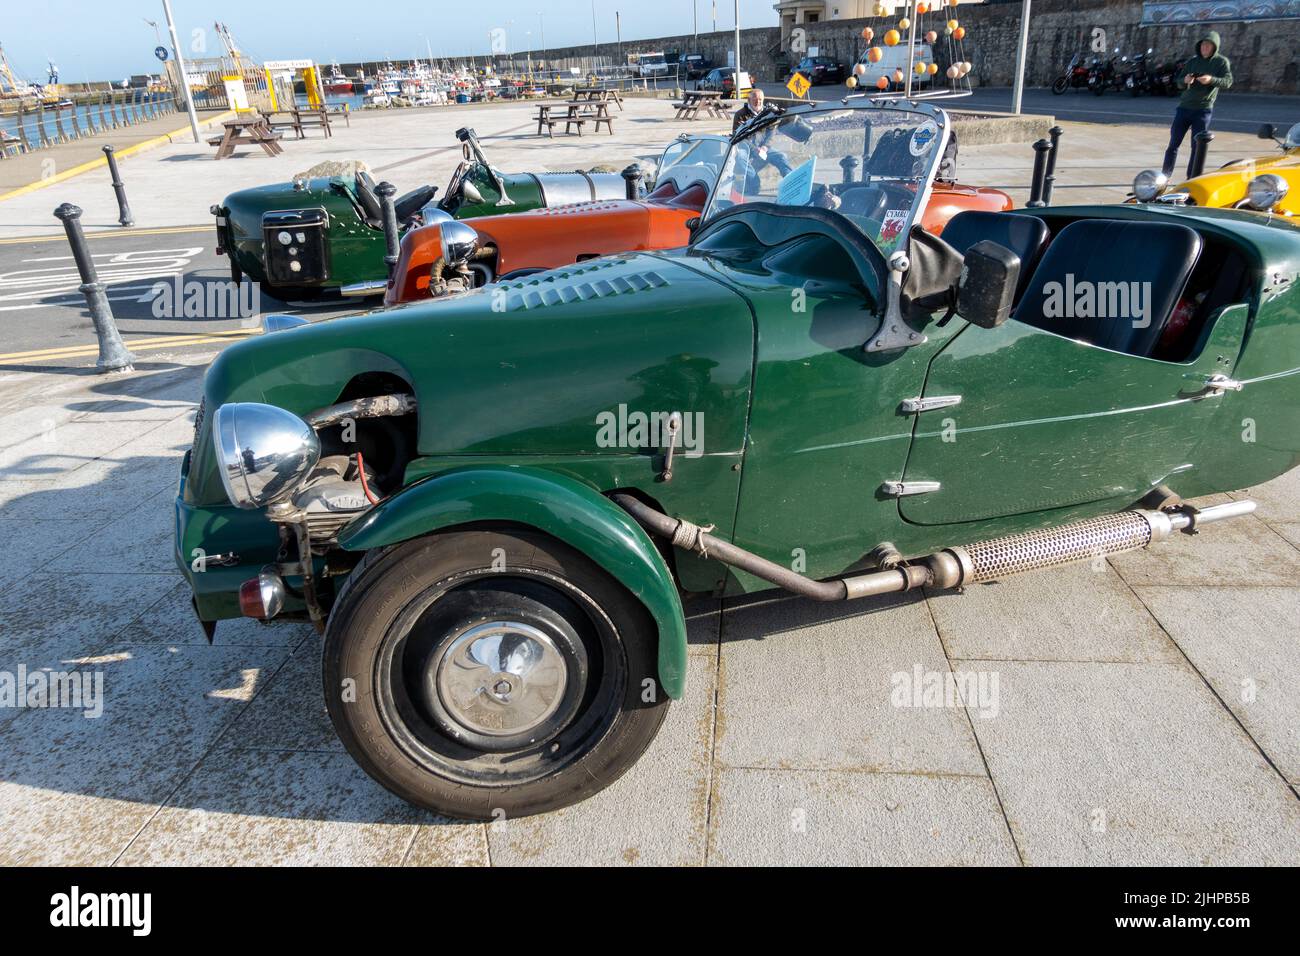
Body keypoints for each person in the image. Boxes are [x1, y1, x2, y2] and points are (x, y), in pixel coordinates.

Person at [1162, 30, 1232, 179]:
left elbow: (1228, 82)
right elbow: (1178, 82)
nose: (1204, 48)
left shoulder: (1221, 62)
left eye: (1208, 45)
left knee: (1197, 147)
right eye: (1203, 45)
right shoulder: (1192, 62)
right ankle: (1165, 175)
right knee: (1173, 144)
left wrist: (1211, 80)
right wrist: (1185, 81)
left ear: (1215, 47)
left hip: (1203, 110)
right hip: (1184, 108)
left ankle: (1191, 178)